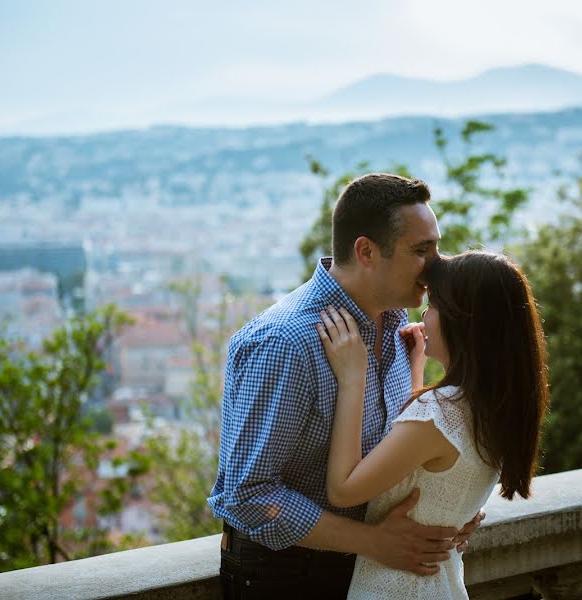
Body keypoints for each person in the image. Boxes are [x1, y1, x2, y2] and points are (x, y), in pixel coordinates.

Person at [208, 173, 483, 599]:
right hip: (287, 578)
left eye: (436, 247)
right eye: (421, 250)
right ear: (367, 251)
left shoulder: (397, 329)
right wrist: (374, 542)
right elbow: (247, 495)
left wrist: (441, 516)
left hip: (367, 571)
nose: (437, 264)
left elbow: (395, 454)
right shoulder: (285, 343)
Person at [317, 251, 549, 599]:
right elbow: (424, 465)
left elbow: (344, 489)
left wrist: (354, 378)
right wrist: (416, 370)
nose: (425, 313)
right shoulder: (494, 406)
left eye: (435, 303)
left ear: (463, 321)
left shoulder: (438, 415)